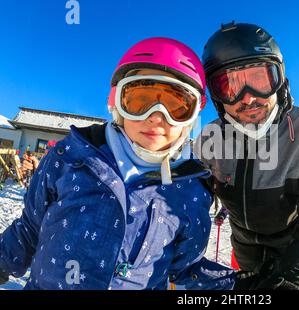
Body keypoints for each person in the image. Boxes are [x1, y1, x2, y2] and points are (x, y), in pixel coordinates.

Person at [0, 37, 235, 290]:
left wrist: (237, 288)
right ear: (117, 102)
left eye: (177, 107)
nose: (156, 118)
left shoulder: (190, 191)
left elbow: (187, 266)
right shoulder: (70, 158)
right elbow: (28, 231)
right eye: (139, 101)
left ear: (191, 118)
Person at [196, 22, 299, 290]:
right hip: (246, 259)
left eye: (260, 80)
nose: (248, 98)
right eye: (230, 86)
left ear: (279, 79)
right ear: (217, 97)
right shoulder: (210, 140)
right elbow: (186, 204)